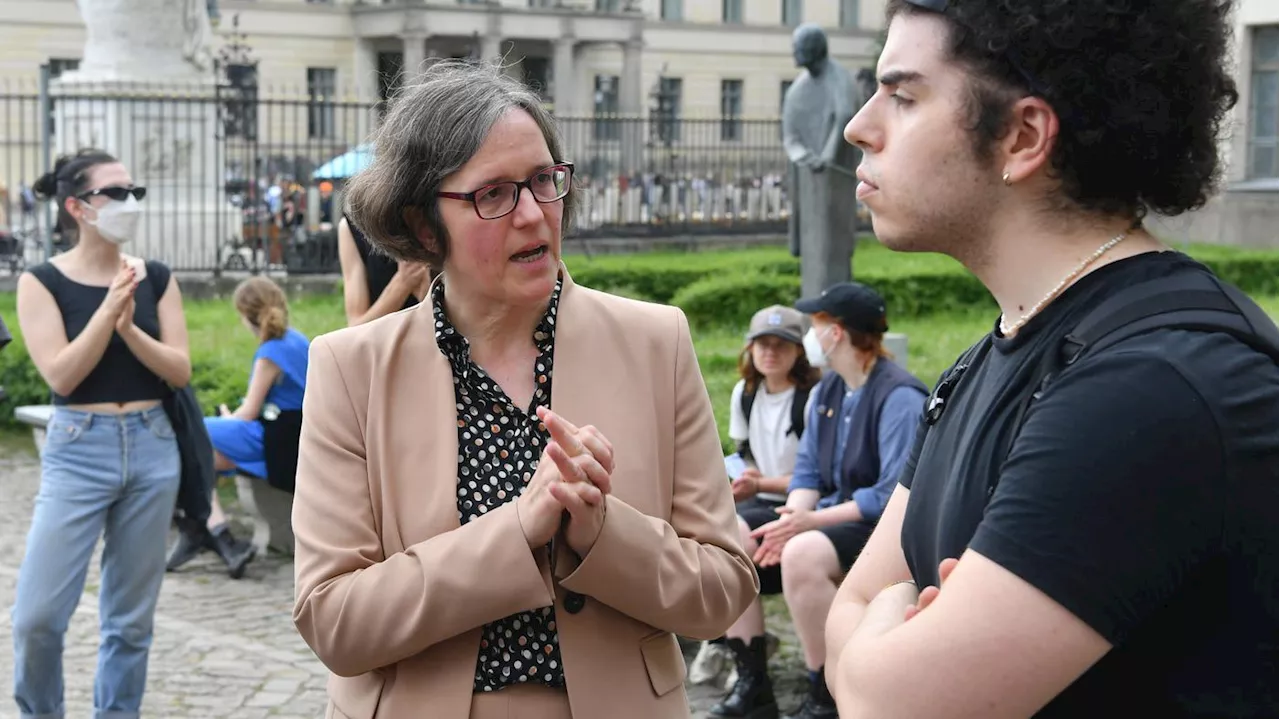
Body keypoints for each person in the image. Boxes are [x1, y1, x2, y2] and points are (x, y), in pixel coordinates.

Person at [826, 2, 1280, 717]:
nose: (859, 125)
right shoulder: (994, 353)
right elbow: (847, 597)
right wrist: (890, 624)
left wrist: (886, 632)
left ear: (1023, 135)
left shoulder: (1153, 384)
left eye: (904, 96)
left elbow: (893, 703)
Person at [291, 59, 757, 719]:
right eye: (494, 193)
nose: (535, 214)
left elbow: (722, 589)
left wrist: (601, 531)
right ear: (424, 226)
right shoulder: (350, 367)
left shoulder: (656, 342)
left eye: (544, 181)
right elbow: (333, 619)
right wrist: (517, 530)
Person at [12, 148, 191, 719]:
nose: (127, 202)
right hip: (77, 447)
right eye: (113, 193)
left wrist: (131, 327)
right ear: (77, 207)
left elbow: (180, 369)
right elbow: (61, 374)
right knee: (37, 619)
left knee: (130, 622)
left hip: (152, 445)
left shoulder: (155, 276)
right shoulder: (40, 281)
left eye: (133, 191)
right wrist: (110, 307)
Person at [711, 282, 925, 719]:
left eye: (818, 323)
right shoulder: (829, 390)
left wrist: (807, 523)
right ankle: (753, 684)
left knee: (803, 552)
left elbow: (889, 494)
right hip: (830, 513)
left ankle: (826, 694)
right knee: (729, 533)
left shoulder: (899, 396)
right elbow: (808, 469)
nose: (812, 332)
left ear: (837, 333)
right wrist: (793, 516)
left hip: (880, 525)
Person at [690, 304, 820, 690]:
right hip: (759, 496)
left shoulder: (811, 398)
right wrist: (741, 477)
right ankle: (737, 652)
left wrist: (761, 484)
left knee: (732, 538)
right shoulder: (745, 394)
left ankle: (745, 664)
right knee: (704, 532)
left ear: (799, 352)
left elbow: (818, 475)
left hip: (803, 500)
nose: (770, 352)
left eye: (781, 345)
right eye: (762, 344)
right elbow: (743, 453)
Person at [165, 276, 309, 579]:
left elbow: (248, 412)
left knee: (190, 432)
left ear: (246, 315)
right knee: (200, 455)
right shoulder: (297, 339)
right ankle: (219, 536)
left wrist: (229, 417)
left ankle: (207, 531)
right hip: (294, 433)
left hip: (276, 439)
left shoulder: (270, 352)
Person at [337, 213, 430, 326]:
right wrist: (403, 283)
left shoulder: (435, 216)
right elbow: (355, 327)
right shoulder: (352, 227)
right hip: (380, 339)